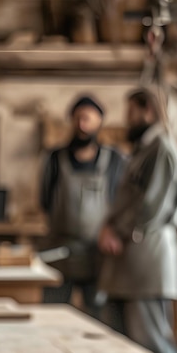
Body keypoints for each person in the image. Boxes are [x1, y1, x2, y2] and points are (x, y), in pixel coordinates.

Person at [98, 89, 177, 353]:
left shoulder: (162, 148)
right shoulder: (145, 149)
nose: (127, 120)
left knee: (153, 344)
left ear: (147, 110)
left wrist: (119, 231)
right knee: (126, 349)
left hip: (147, 257)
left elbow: (153, 205)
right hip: (130, 260)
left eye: (130, 113)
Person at [41, 95, 126, 318]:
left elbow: (122, 202)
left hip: (98, 255)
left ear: (99, 122)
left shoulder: (115, 161)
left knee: (101, 320)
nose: (82, 124)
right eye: (77, 118)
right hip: (61, 252)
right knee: (52, 316)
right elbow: (45, 200)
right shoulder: (55, 159)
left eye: (87, 119)